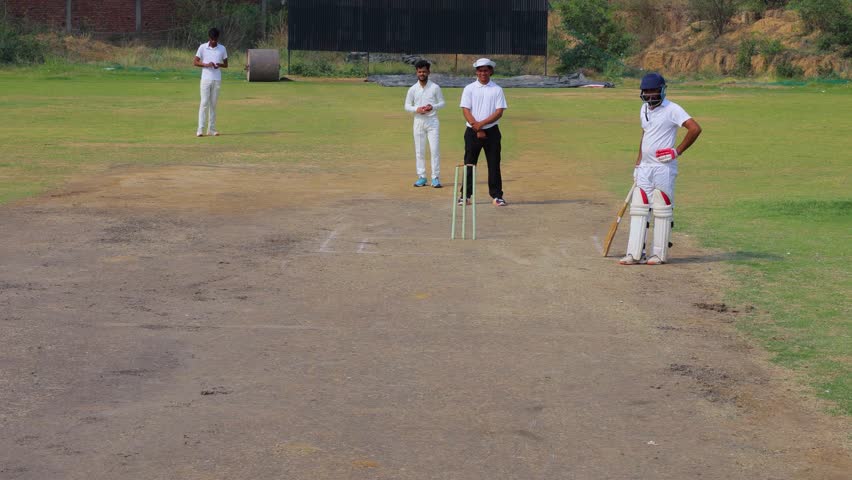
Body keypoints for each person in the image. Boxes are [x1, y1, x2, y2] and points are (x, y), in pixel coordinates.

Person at [620, 72, 702, 265]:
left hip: (664, 168)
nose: (649, 95)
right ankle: (634, 253)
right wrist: (638, 163)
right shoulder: (643, 109)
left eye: (653, 91)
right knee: (639, 208)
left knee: (661, 209)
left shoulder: (673, 109)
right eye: (646, 91)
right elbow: (645, 134)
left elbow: (695, 128)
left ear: (662, 90)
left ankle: (658, 254)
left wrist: (677, 151)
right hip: (645, 168)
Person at [459, 58, 508, 206]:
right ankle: (465, 196)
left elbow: (499, 112)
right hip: (472, 131)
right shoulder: (469, 88)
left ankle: (497, 195)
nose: (483, 73)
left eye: (485, 70)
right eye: (480, 70)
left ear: (491, 71)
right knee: (469, 163)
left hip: (492, 131)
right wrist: (477, 127)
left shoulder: (497, 89)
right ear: (476, 72)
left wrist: (482, 125)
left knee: (494, 164)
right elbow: (465, 110)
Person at [404, 60, 445, 188]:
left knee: (435, 150)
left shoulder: (435, 87)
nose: (422, 74)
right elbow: (406, 105)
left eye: (424, 71)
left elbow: (442, 103)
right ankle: (422, 176)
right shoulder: (413, 89)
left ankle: (435, 178)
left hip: (432, 122)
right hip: (418, 122)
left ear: (429, 72)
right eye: (420, 71)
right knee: (419, 151)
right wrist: (417, 109)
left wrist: (432, 107)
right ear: (416, 72)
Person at [193, 28, 228, 137]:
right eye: (212, 39)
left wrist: (219, 64)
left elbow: (226, 64)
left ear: (218, 38)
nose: (214, 41)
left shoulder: (222, 48)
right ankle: (200, 129)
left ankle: (211, 129)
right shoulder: (202, 47)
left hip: (217, 79)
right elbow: (195, 62)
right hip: (205, 79)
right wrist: (206, 64)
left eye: (215, 39)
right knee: (204, 103)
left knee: (213, 104)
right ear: (209, 38)